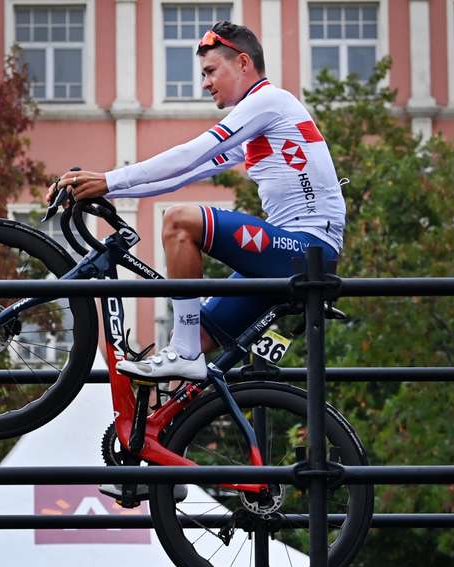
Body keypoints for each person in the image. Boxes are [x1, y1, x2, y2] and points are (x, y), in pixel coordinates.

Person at [49, 21, 345, 381]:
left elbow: (190, 154)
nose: (204, 83)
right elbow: (182, 175)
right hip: (286, 256)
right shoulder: (259, 123)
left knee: (179, 221)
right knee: (186, 348)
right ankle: (166, 422)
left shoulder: (269, 102)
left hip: (307, 250)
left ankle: (185, 352)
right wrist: (103, 190)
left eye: (210, 72)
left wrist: (108, 179)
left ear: (242, 63)